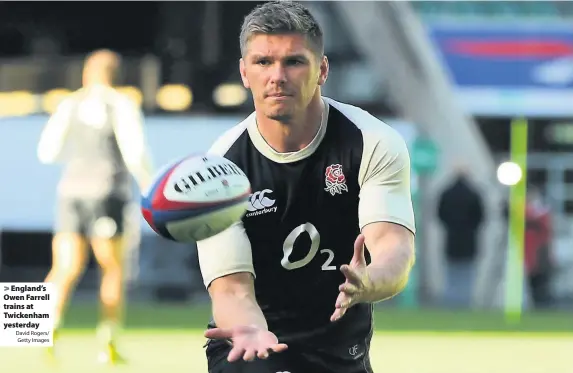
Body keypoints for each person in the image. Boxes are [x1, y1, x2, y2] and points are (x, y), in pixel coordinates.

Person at [196, 2, 416, 372]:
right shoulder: (221, 169)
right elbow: (231, 289)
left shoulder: (371, 141)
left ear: (322, 70)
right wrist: (249, 329)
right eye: (263, 62)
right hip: (250, 339)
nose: (277, 76)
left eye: (294, 61)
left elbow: (394, 247)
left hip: (339, 347)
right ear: (244, 72)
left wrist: (369, 281)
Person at [37, 49, 154, 364]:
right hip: (107, 191)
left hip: (71, 191)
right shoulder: (121, 104)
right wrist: (148, 186)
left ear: (86, 74)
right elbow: (135, 152)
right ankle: (108, 339)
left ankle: (38, 329)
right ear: (117, 76)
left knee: (64, 266)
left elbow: (47, 152)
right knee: (112, 267)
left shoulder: (70, 103)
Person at [437, 163, 484, 307]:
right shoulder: (474, 193)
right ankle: (465, 301)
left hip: (451, 238)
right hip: (469, 239)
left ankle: (451, 301)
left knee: (451, 273)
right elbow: (480, 216)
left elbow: (440, 214)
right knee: (467, 273)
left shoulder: (446, 193)